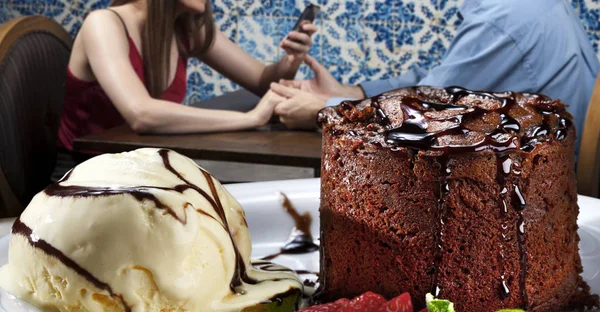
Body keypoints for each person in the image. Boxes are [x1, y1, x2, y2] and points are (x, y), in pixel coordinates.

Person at [271, 0, 599, 157]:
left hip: (537, 194)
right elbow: (439, 83)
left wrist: (325, 110)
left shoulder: (504, 18)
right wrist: (351, 91)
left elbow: (426, 113)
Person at [57, 0, 317, 151]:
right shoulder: (103, 23)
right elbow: (142, 114)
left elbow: (263, 81)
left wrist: (290, 60)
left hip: (144, 166)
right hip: (84, 174)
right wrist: (251, 118)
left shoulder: (186, 29)